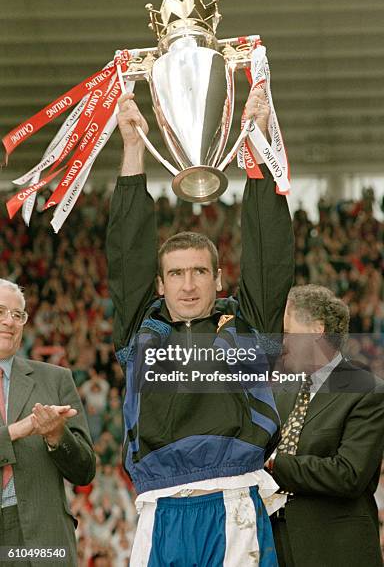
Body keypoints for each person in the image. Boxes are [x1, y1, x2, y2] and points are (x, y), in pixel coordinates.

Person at [107, 86, 294, 566]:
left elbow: (269, 252)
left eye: (199, 272)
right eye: (175, 273)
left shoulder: (246, 326)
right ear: (161, 284)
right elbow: (126, 255)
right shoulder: (140, 333)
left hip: (234, 503)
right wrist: (131, 148)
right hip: (160, 507)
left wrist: (259, 139)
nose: (188, 285)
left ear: (218, 277)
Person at [268, 284, 384, 567]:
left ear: (317, 329)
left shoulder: (367, 390)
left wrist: (274, 464)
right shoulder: (282, 389)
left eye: (289, 332)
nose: (283, 342)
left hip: (335, 549)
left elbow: (349, 474)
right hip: (276, 545)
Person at [0, 278, 96, 567]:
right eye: (0, 312)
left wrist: (57, 435)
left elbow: (85, 471)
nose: (9, 322)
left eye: (18, 315)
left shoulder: (55, 379)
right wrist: (19, 430)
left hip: (43, 541)